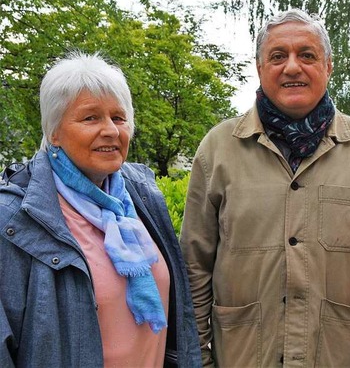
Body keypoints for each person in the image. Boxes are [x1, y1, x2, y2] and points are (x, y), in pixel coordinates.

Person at [180, 9, 350, 367]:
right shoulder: (218, 150)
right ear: (260, 68)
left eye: (307, 55)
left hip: (342, 357)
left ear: (328, 66)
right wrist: (198, 359)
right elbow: (194, 268)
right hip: (244, 357)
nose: (292, 67)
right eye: (278, 56)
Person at [0, 52, 201, 367]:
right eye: (90, 117)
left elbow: (181, 318)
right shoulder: (13, 216)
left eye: (118, 118)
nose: (110, 130)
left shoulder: (142, 196)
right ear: (54, 131)